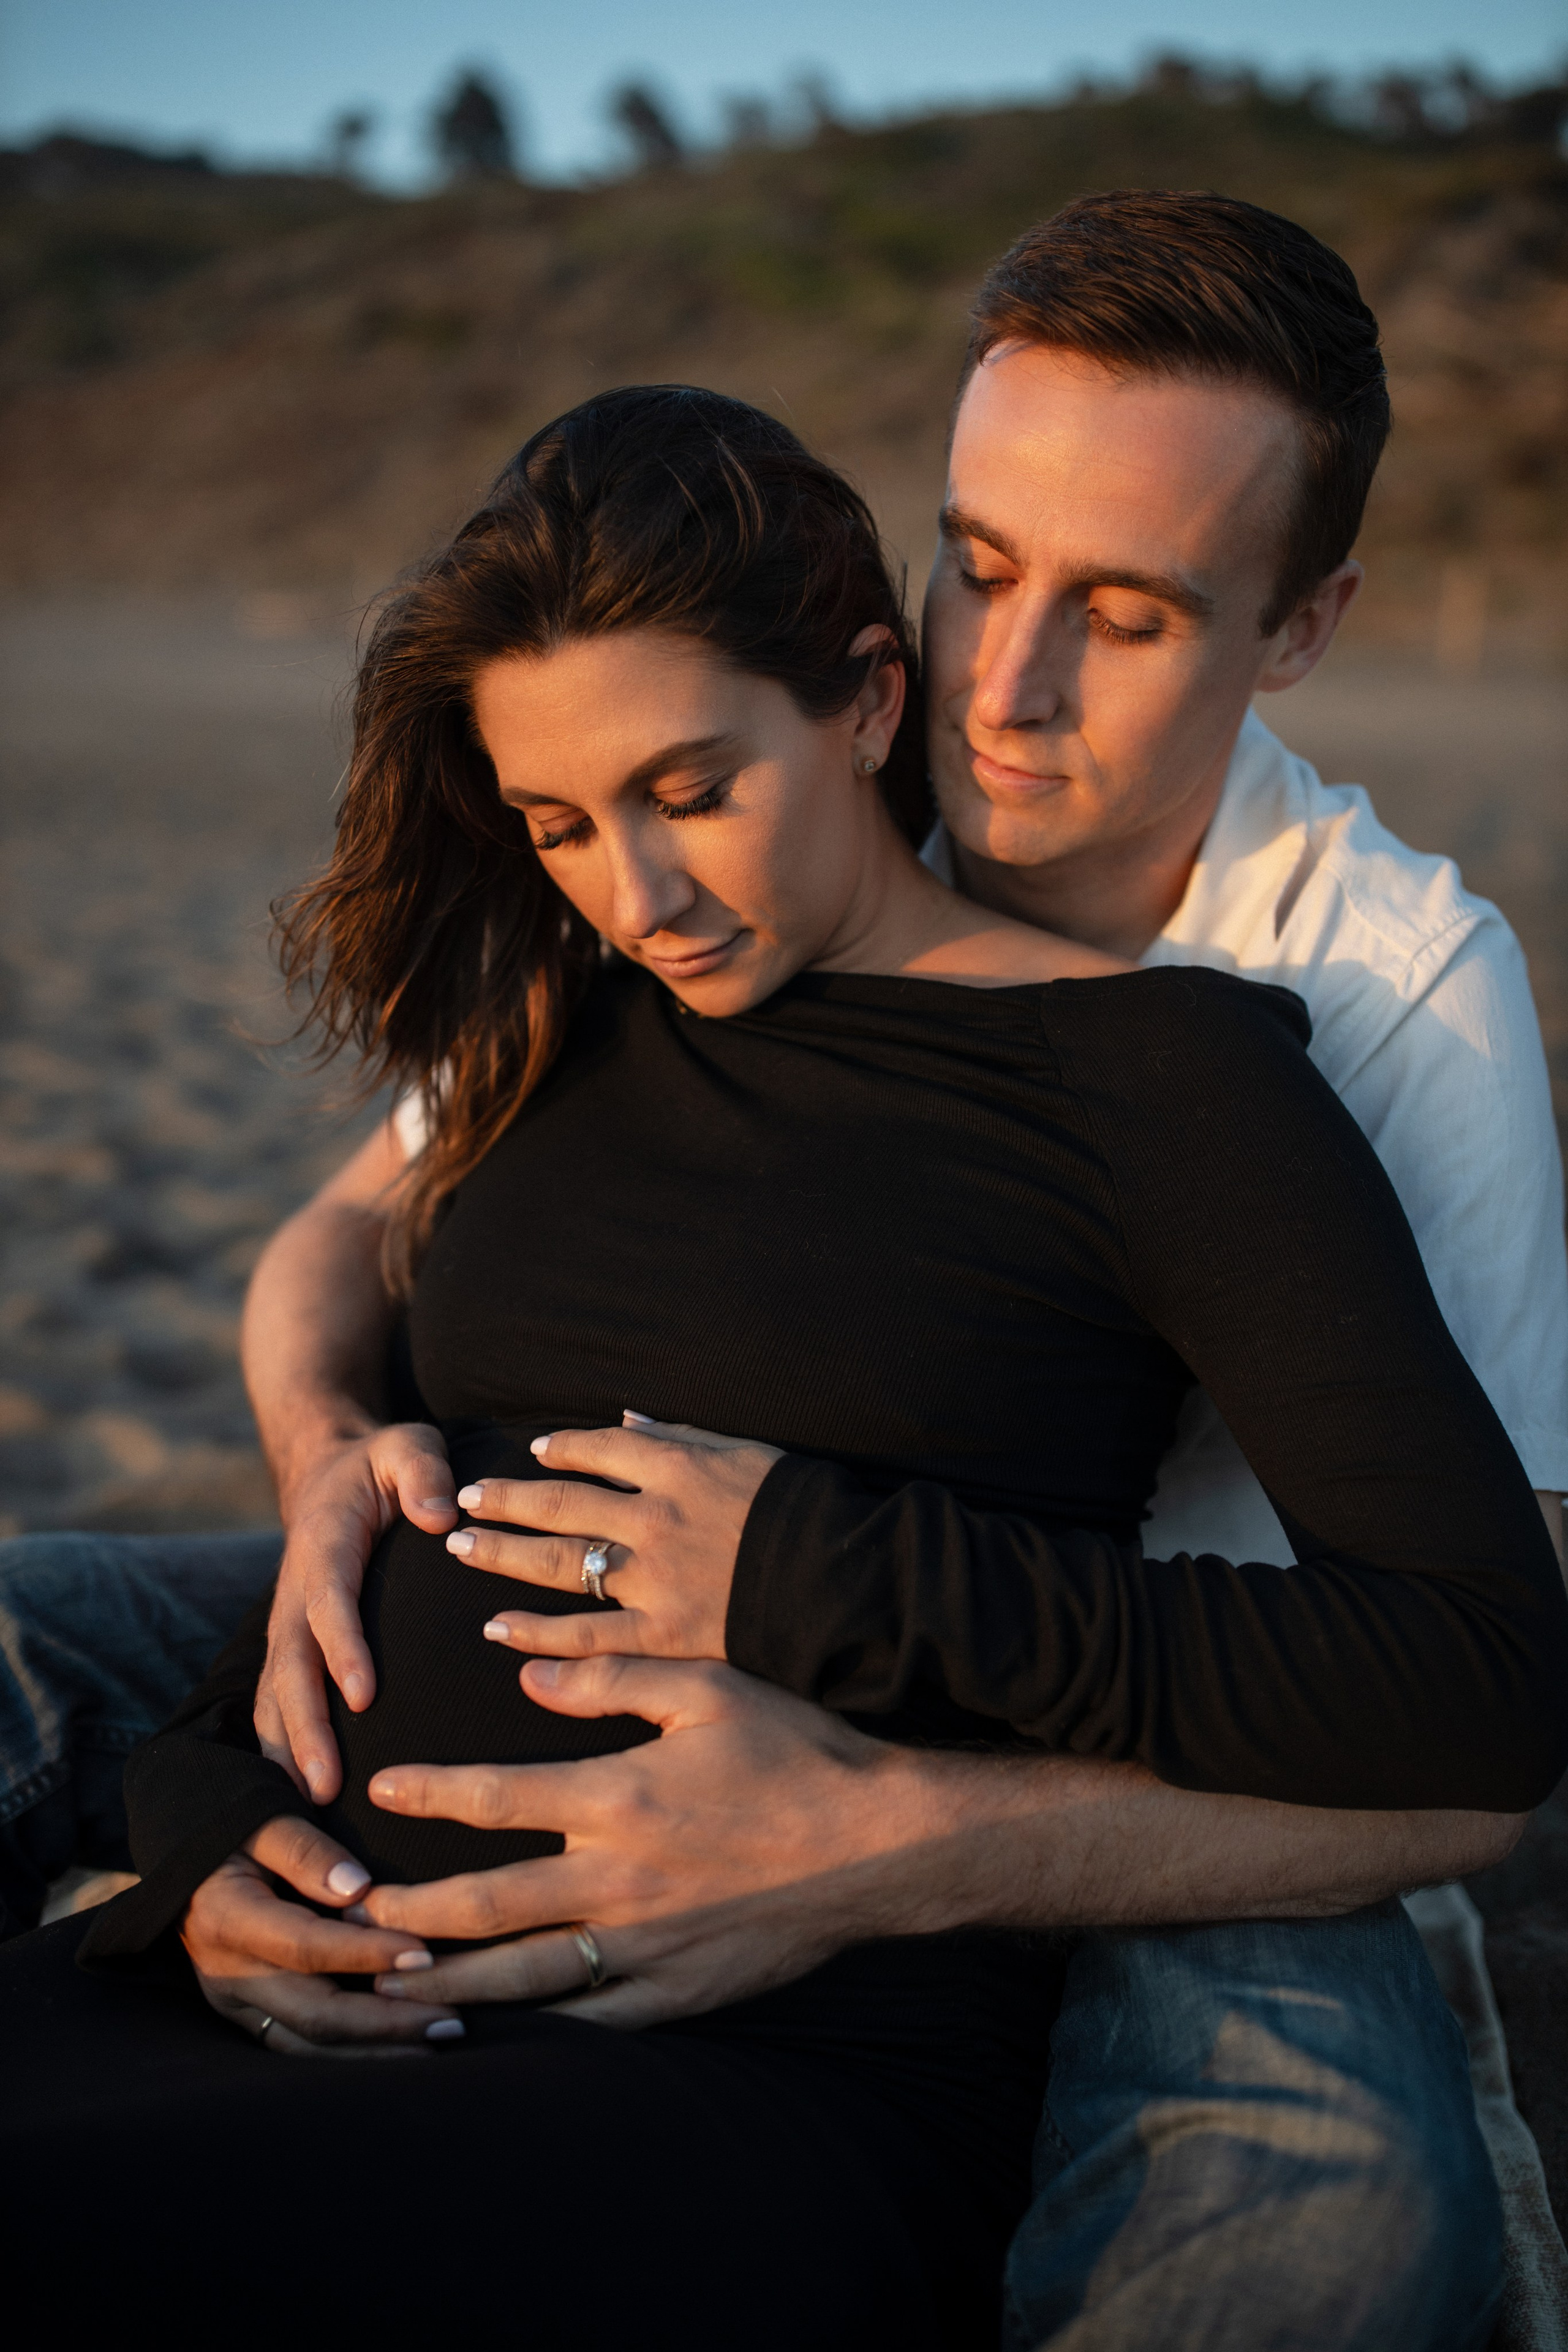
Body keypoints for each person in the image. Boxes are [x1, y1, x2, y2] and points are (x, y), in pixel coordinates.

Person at [0, 192, 1563, 2348]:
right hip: (482, 1740)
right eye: (980, 563)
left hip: (1161, 1789)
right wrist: (323, 1478)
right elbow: (356, 1228)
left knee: (1335, 2231)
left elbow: (1469, 1716)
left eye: (1125, 612)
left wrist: (895, 1821)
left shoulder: (1375, 995)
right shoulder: (729, 835)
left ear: (1294, 629)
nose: (1003, 693)